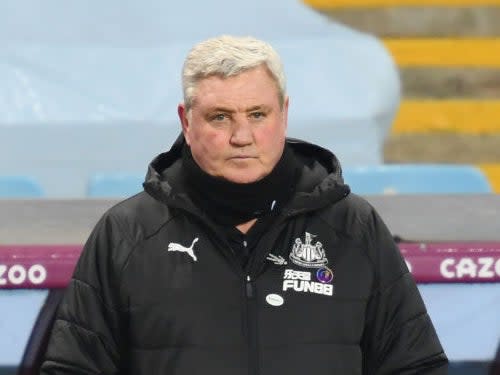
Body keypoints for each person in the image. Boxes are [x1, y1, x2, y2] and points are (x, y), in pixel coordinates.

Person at [40, 35, 448, 374]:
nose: (242, 135)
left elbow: (415, 366)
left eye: (257, 114)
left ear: (284, 115)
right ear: (186, 121)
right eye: (220, 117)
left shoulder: (354, 227)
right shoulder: (127, 233)